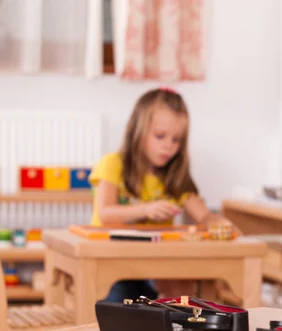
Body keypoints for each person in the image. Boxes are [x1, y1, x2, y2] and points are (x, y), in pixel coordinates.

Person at [89, 87, 238, 302]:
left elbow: (203, 216)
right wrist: (146, 210)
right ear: (138, 131)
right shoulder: (113, 164)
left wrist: (221, 223)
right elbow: (105, 213)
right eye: (160, 136)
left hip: (156, 267)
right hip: (113, 263)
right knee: (114, 313)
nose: (168, 146)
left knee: (183, 287)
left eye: (176, 140)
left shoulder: (174, 176)